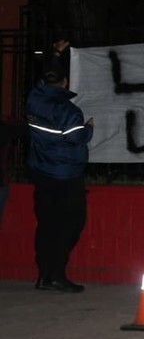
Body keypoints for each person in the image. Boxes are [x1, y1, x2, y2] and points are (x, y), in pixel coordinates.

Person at [26, 69, 94, 292]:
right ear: (65, 82)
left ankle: (44, 275)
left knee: (46, 225)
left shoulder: (34, 100)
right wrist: (89, 129)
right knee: (72, 223)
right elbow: (76, 138)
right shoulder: (69, 111)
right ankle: (56, 274)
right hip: (67, 176)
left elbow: (41, 85)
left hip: (42, 173)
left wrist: (55, 54)